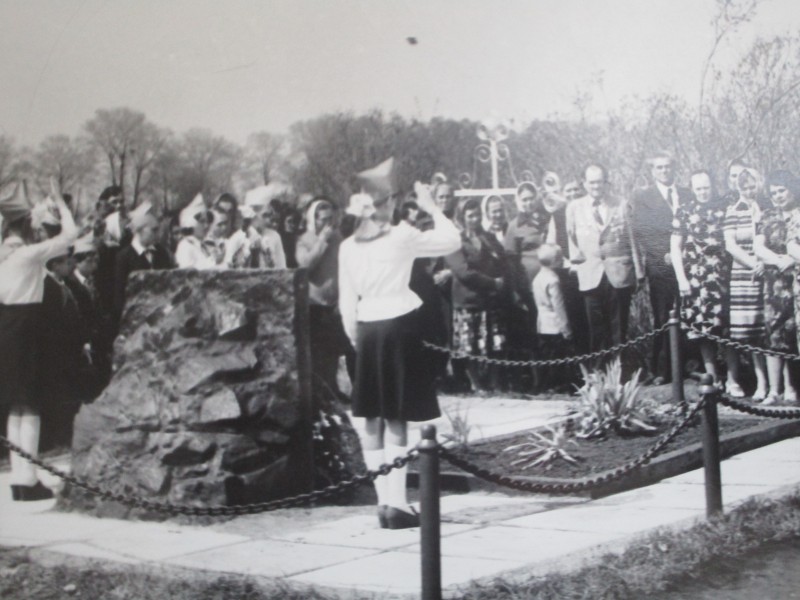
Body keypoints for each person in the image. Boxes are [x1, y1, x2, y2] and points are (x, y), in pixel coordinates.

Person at [338, 157, 460, 529]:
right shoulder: (402, 235)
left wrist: (358, 343)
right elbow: (452, 239)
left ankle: (384, 505)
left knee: (372, 419)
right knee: (397, 418)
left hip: (366, 330)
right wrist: (432, 207)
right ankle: (397, 505)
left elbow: (346, 303)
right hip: (398, 327)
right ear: (387, 202)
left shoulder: (347, 247)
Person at [0, 181, 78, 501]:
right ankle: (28, 479)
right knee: (30, 404)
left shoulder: (5, 254)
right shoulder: (28, 255)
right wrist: (60, 203)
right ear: (25, 223)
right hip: (27, 327)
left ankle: (21, 478)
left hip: (6, 326)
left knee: (17, 404)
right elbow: (70, 236)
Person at [566, 164, 644, 356]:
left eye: (600, 181)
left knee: (619, 328)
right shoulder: (574, 208)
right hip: (590, 274)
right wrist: (576, 266)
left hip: (618, 273)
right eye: (592, 182)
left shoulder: (621, 204)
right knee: (596, 330)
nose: (596, 186)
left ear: (606, 182)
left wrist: (639, 271)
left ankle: (620, 375)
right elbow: (571, 240)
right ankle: (599, 377)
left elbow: (633, 239)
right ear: (584, 184)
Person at [671, 171, 735, 388]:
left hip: (722, 278)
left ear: (712, 186)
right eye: (698, 188)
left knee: (727, 329)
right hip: (696, 280)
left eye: (706, 187)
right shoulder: (684, 211)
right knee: (703, 331)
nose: (703, 192)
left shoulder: (725, 208)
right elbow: (675, 247)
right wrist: (681, 279)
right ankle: (713, 377)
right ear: (692, 189)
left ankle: (733, 379)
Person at [633, 151, 692, 385]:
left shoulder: (686, 194)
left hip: (688, 262)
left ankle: (690, 365)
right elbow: (642, 231)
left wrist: (686, 252)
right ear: (653, 171)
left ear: (674, 168)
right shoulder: (644, 197)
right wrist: (665, 254)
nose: (664, 171)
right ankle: (663, 370)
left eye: (668, 167)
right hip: (661, 265)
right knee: (663, 316)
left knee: (689, 314)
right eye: (659, 167)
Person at [446, 197, 512, 392]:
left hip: (487, 301)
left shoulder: (488, 238)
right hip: (467, 301)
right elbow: (464, 272)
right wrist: (492, 282)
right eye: (470, 215)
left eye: (477, 215)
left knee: (492, 345)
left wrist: (500, 277)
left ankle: (493, 382)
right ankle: (476, 384)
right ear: (462, 217)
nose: (474, 219)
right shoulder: (455, 242)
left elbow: (501, 261)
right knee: (470, 347)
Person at [296, 198, 351, 402]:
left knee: (334, 351)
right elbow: (305, 266)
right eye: (322, 220)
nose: (327, 224)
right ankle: (319, 393)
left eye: (330, 219)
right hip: (314, 304)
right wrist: (321, 241)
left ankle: (333, 389)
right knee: (317, 351)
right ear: (313, 219)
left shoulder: (338, 237)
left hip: (335, 302)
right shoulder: (304, 239)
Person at [754, 170, 800, 404]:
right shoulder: (768, 215)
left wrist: (792, 260)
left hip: (796, 279)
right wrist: (777, 260)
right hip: (775, 283)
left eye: (781, 190)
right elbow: (758, 247)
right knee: (774, 334)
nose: (778, 196)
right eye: (773, 193)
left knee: (794, 332)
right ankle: (774, 389)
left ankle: (793, 388)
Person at [724, 168, 768, 399]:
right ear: (738, 188)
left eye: (752, 186)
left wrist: (764, 264)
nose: (749, 191)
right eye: (744, 187)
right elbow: (731, 246)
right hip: (743, 275)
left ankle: (773, 385)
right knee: (750, 331)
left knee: (766, 330)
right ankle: (759, 383)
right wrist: (754, 264)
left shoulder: (766, 209)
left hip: (767, 273)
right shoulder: (733, 211)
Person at [112, 202, 173, 329]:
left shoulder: (161, 253)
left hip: (161, 319)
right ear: (139, 230)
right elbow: (119, 295)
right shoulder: (124, 257)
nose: (158, 234)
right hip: (134, 322)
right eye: (154, 230)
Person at [174, 194, 216, 269]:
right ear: (191, 223)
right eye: (202, 222)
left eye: (207, 222)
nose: (206, 226)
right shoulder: (185, 246)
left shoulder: (204, 246)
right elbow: (187, 275)